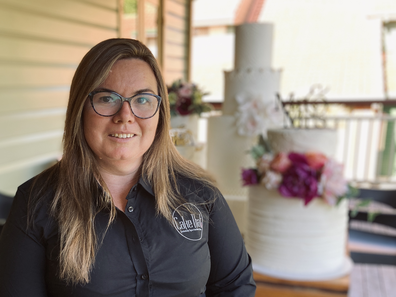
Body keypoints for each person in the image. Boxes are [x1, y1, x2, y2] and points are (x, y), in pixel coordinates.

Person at [0, 38, 256, 296]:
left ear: (160, 112)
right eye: (107, 98)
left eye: (142, 99)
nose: (125, 115)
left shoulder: (200, 195)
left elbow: (235, 286)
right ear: (80, 109)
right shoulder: (35, 203)